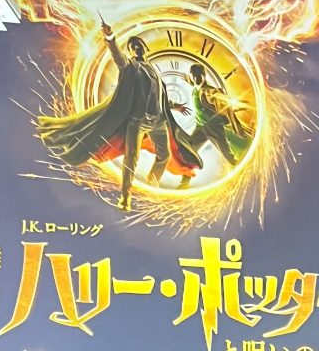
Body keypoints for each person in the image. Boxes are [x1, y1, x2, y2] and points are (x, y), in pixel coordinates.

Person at [37, 21, 201, 210]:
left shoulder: (154, 71)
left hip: (159, 122)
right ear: (130, 52)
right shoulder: (130, 67)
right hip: (138, 121)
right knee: (131, 157)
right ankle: (125, 196)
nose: (136, 48)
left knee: (164, 156)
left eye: (138, 45)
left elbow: (158, 96)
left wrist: (175, 106)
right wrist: (110, 37)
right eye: (132, 47)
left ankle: (152, 184)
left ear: (144, 47)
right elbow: (118, 57)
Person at [180, 63, 252, 185]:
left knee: (228, 155)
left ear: (204, 75)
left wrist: (228, 104)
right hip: (201, 128)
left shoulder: (209, 91)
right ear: (191, 76)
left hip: (214, 128)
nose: (196, 78)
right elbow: (197, 86)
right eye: (194, 75)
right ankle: (185, 180)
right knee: (190, 151)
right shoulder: (196, 89)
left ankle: (243, 174)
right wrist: (190, 82)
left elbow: (218, 97)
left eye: (199, 75)